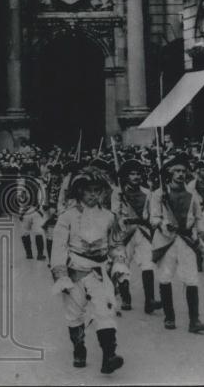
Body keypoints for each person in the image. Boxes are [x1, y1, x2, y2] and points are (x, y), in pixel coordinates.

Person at [50, 172, 126, 373]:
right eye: (89, 191)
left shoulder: (110, 217)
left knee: (106, 310)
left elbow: (116, 244)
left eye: (97, 191)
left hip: (99, 270)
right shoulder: (67, 217)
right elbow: (58, 246)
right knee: (74, 314)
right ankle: (79, 348)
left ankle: (109, 356)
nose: (93, 195)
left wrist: (119, 262)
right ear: (80, 191)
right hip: (75, 269)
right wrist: (61, 274)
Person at [149, 155, 204, 334]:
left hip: (186, 240)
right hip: (166, 241)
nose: (181, 174)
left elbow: (198, 218)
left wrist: (200, 235)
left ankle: (194, 320)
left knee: (191, 278)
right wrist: (162, 224)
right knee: (165, 277)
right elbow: (153, 217)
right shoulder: (159, 194)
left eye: (183, 171)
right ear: (170, 172)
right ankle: (169, 317)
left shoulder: (192, 195)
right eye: (177, 171)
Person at [113, 159, 161, 313]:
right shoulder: (118, 193)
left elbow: (152, 213)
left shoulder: (148, 193)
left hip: (142, 231)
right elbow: (115, 214)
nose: (135, 177)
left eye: (138, 174)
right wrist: (121, 219)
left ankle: (150, 301)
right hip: (125, 233)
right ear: (126, 177)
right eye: (132, 174)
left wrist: (153, 223)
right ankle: (126, 298)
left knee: (148, 264)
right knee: (123, 266)